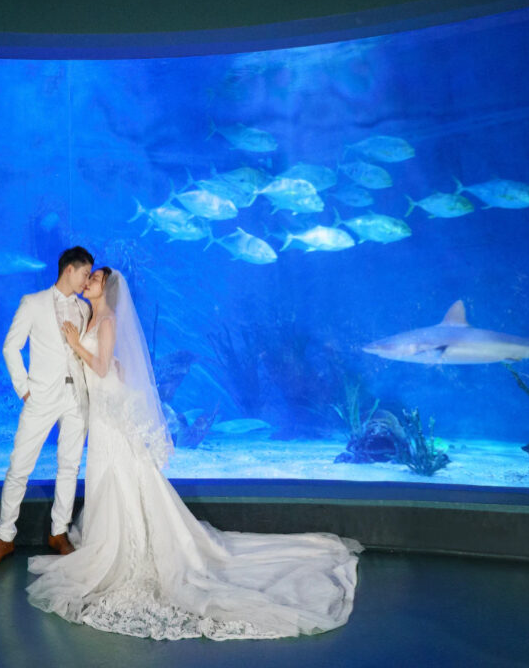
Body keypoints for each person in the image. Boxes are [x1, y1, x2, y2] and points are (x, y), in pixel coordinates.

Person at [27, 267, 362, 640]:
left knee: (121, 474)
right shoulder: (95, 316)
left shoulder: (105, 319)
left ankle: (127, 548)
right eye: (87, 278)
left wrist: (75, 345)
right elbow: (115, 364)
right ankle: (116, 537)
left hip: (110, 412)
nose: (87, 282)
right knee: (117, 475)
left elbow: (102, 365)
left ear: (105, 287)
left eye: (94, 279)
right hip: (108, 408)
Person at [0, 246, 94, 569]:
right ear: (69, 269)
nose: (87, 280)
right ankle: (4, 537)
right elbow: (10, 347)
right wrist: (25, 390)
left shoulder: (85, 310)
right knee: (19, 466)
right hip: (41, 396)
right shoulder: (33, 303)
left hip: (76, 399)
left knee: (69, 466)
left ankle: (59, 532)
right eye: (85, 273)